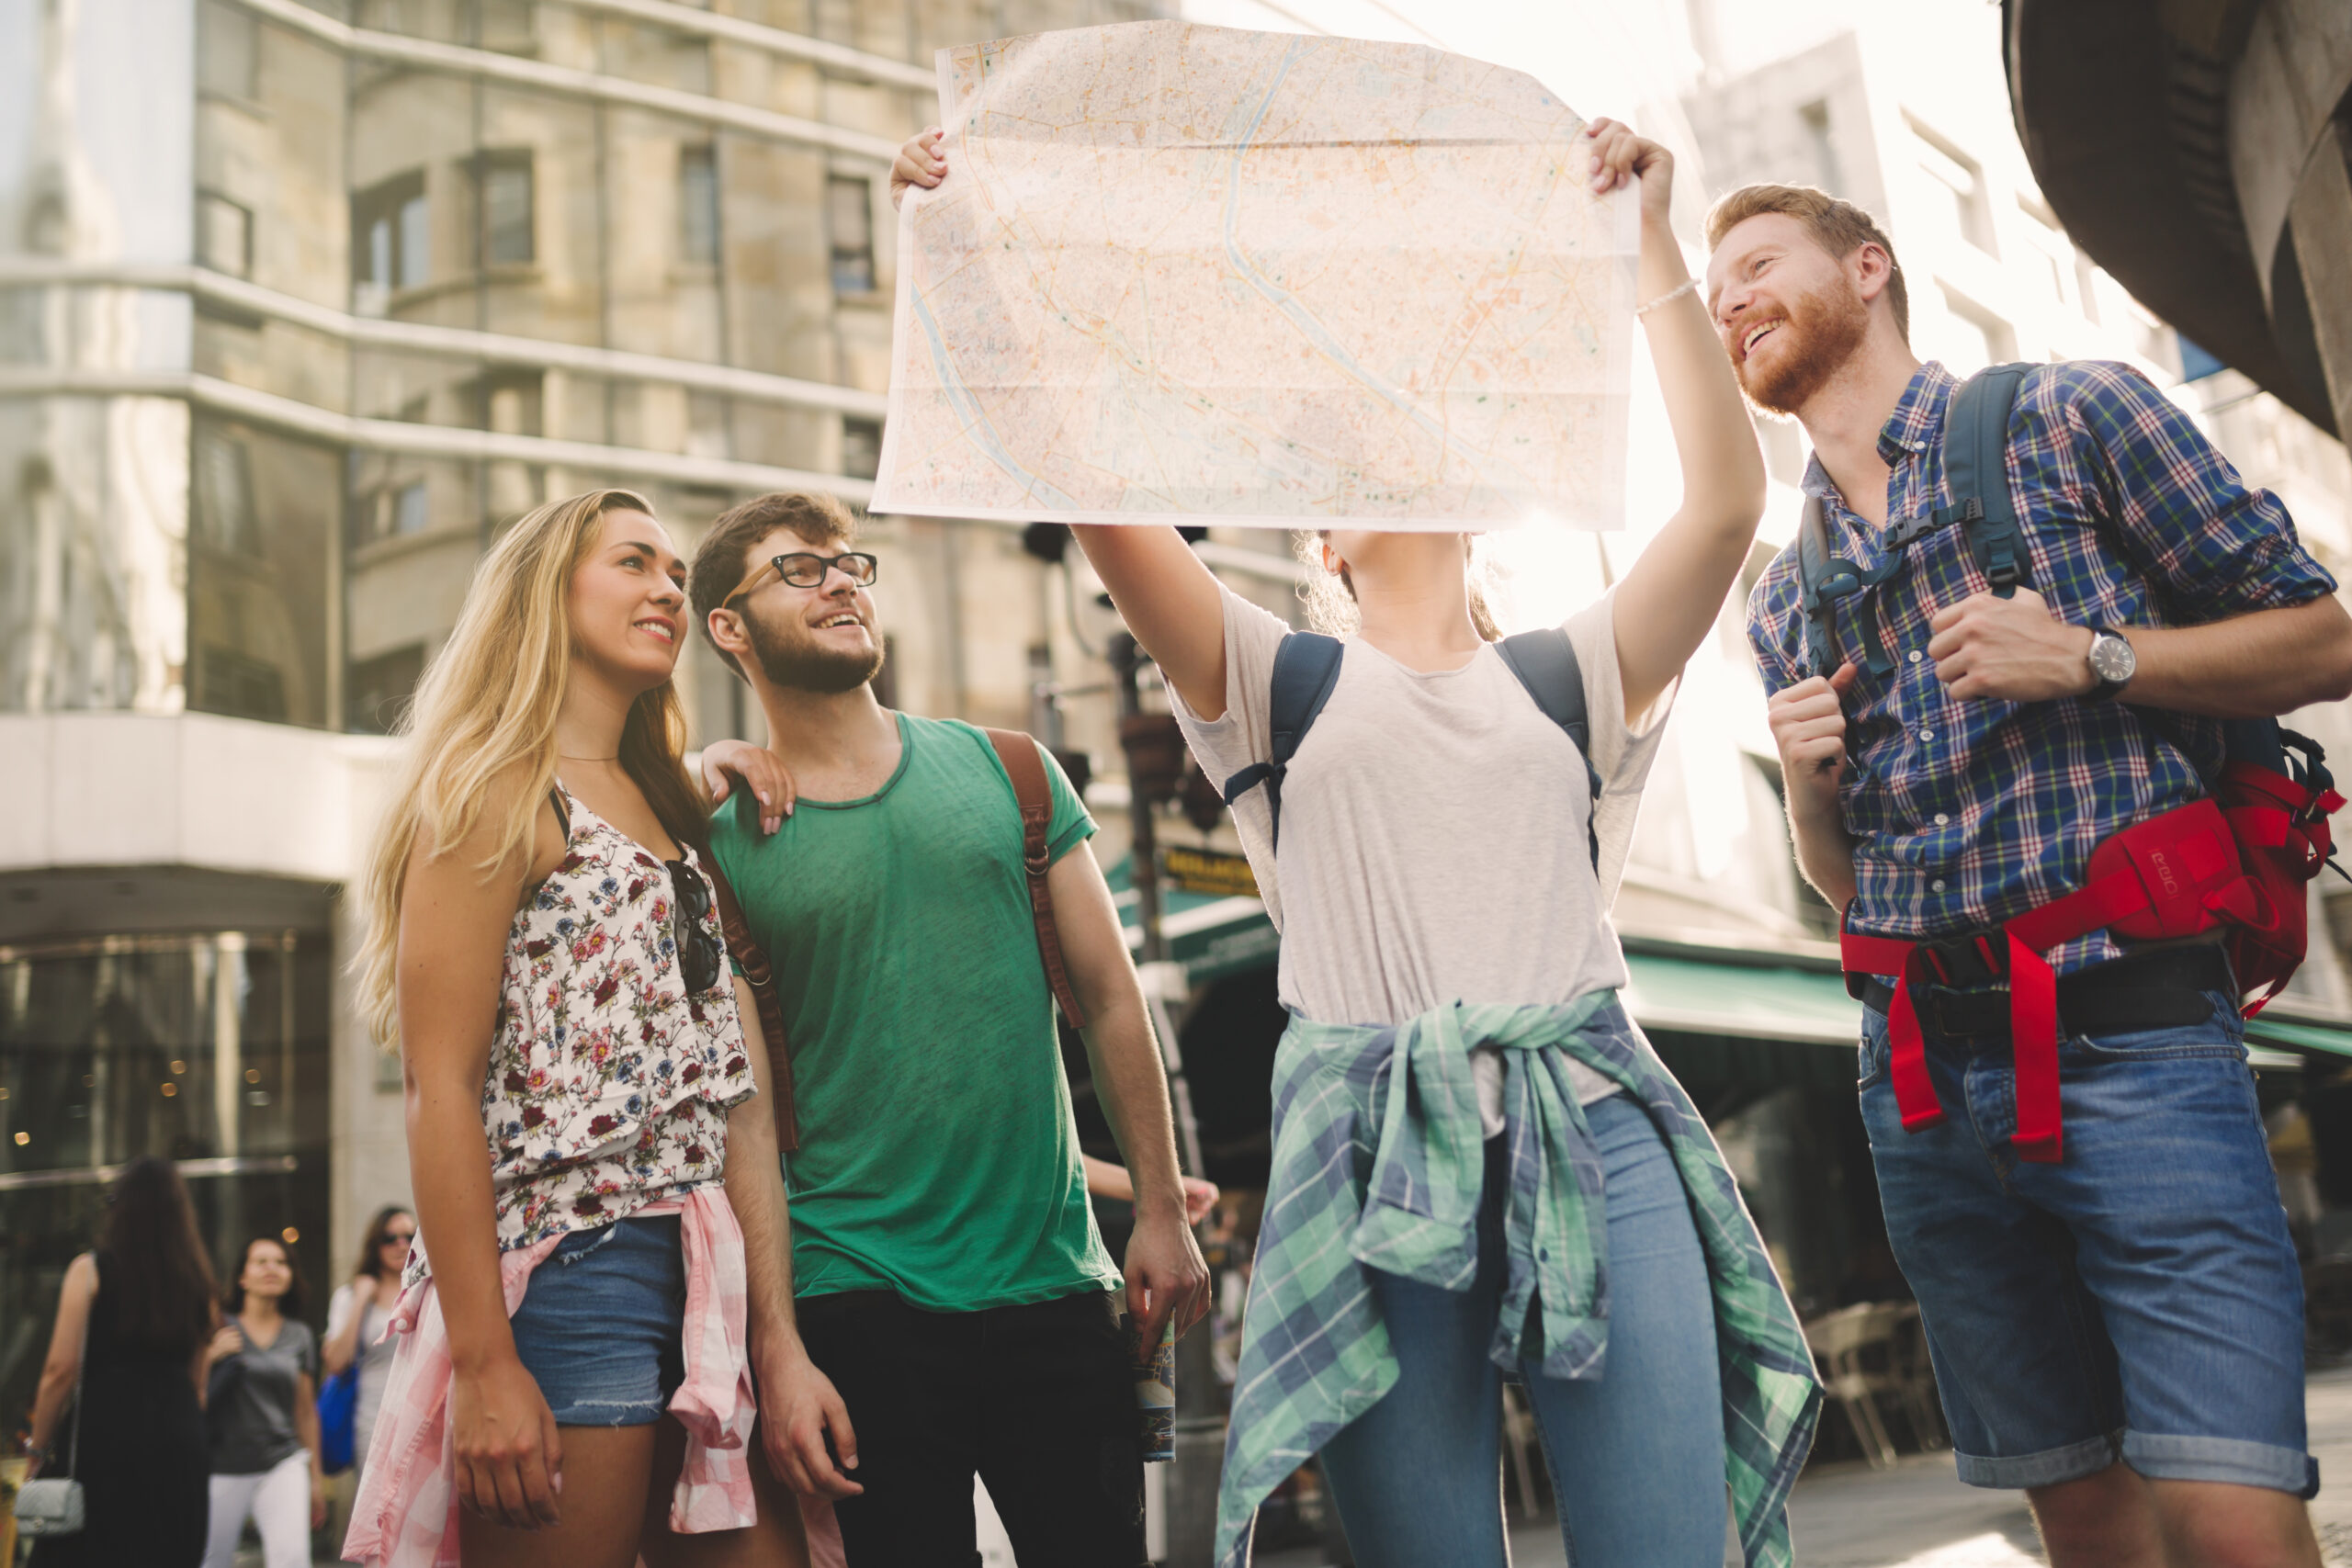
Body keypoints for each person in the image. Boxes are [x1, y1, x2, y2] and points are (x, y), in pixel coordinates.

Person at [892, 118, 1822, 1565]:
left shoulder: (1573, 673)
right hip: (1370, 1145)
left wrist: (1645, 240)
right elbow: (1089, 486)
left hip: (1590, 1119)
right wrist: (975, 256)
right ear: (1324, 540)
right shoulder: (1278, 683)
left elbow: (1727, 500)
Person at [1715, 181, 2352, 1568]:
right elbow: (1838, 884)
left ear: (1868, 267)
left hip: (2135, 1036)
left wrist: (2094, 653)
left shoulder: (2073, 415)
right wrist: (1810, 790)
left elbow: (2324, 632)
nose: (1731, 301)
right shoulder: (1782, 596)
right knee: (2080, 1520)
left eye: (1758, 264)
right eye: (1715, 294)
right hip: (1925, 1089)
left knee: (2234, 1515)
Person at [687, 487, 1211, 1566]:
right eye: (798, 568)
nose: (839, 578)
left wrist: (1160, 1206)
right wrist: (777, 1347)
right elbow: (743, 1108)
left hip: (1056, 1286)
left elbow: (1110, 999)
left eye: (847, 562)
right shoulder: (720, 845)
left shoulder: (1010, 771)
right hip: (854, 1302)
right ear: (728, 628)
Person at [344, 487, 807, 1568]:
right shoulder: (491, 794)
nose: (668, 590)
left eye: (677, 576)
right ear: (549, 592)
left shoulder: (666, 805)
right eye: (634, 563)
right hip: (569, 1274)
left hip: (704, 1266)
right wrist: (488, 1365)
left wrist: (706, 773)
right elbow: (437, 1088)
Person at [19, 1156, 217, 1568]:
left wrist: (37, 1451)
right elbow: (199, 1383)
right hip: (179, 1441)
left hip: (105, 1438)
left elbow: (59, 1372)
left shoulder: (89, 1271)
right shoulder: (199, 1280)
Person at [201, 1235, 326, 1568]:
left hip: (282, 1462)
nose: (272, 1268)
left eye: (281, 1262)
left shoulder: (298, 1334)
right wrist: (211, 1354)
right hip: (221, 1466)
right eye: (261, 1261)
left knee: (292, 1561)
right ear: (242, 1277)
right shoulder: (217, 1326)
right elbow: (187, 1392)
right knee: (211, 1561)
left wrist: (315, 1478)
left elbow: (305, 1412)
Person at [322, 1205, 413, 1518]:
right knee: (378, 1518)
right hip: (372, 1421)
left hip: (424, 1415)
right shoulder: (349, 1297)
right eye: (391, 1238)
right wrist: (362, 1299)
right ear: (375, 1244)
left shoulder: (427, 1290)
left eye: (409, 1237)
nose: (401, 1245)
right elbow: (336, 1362)